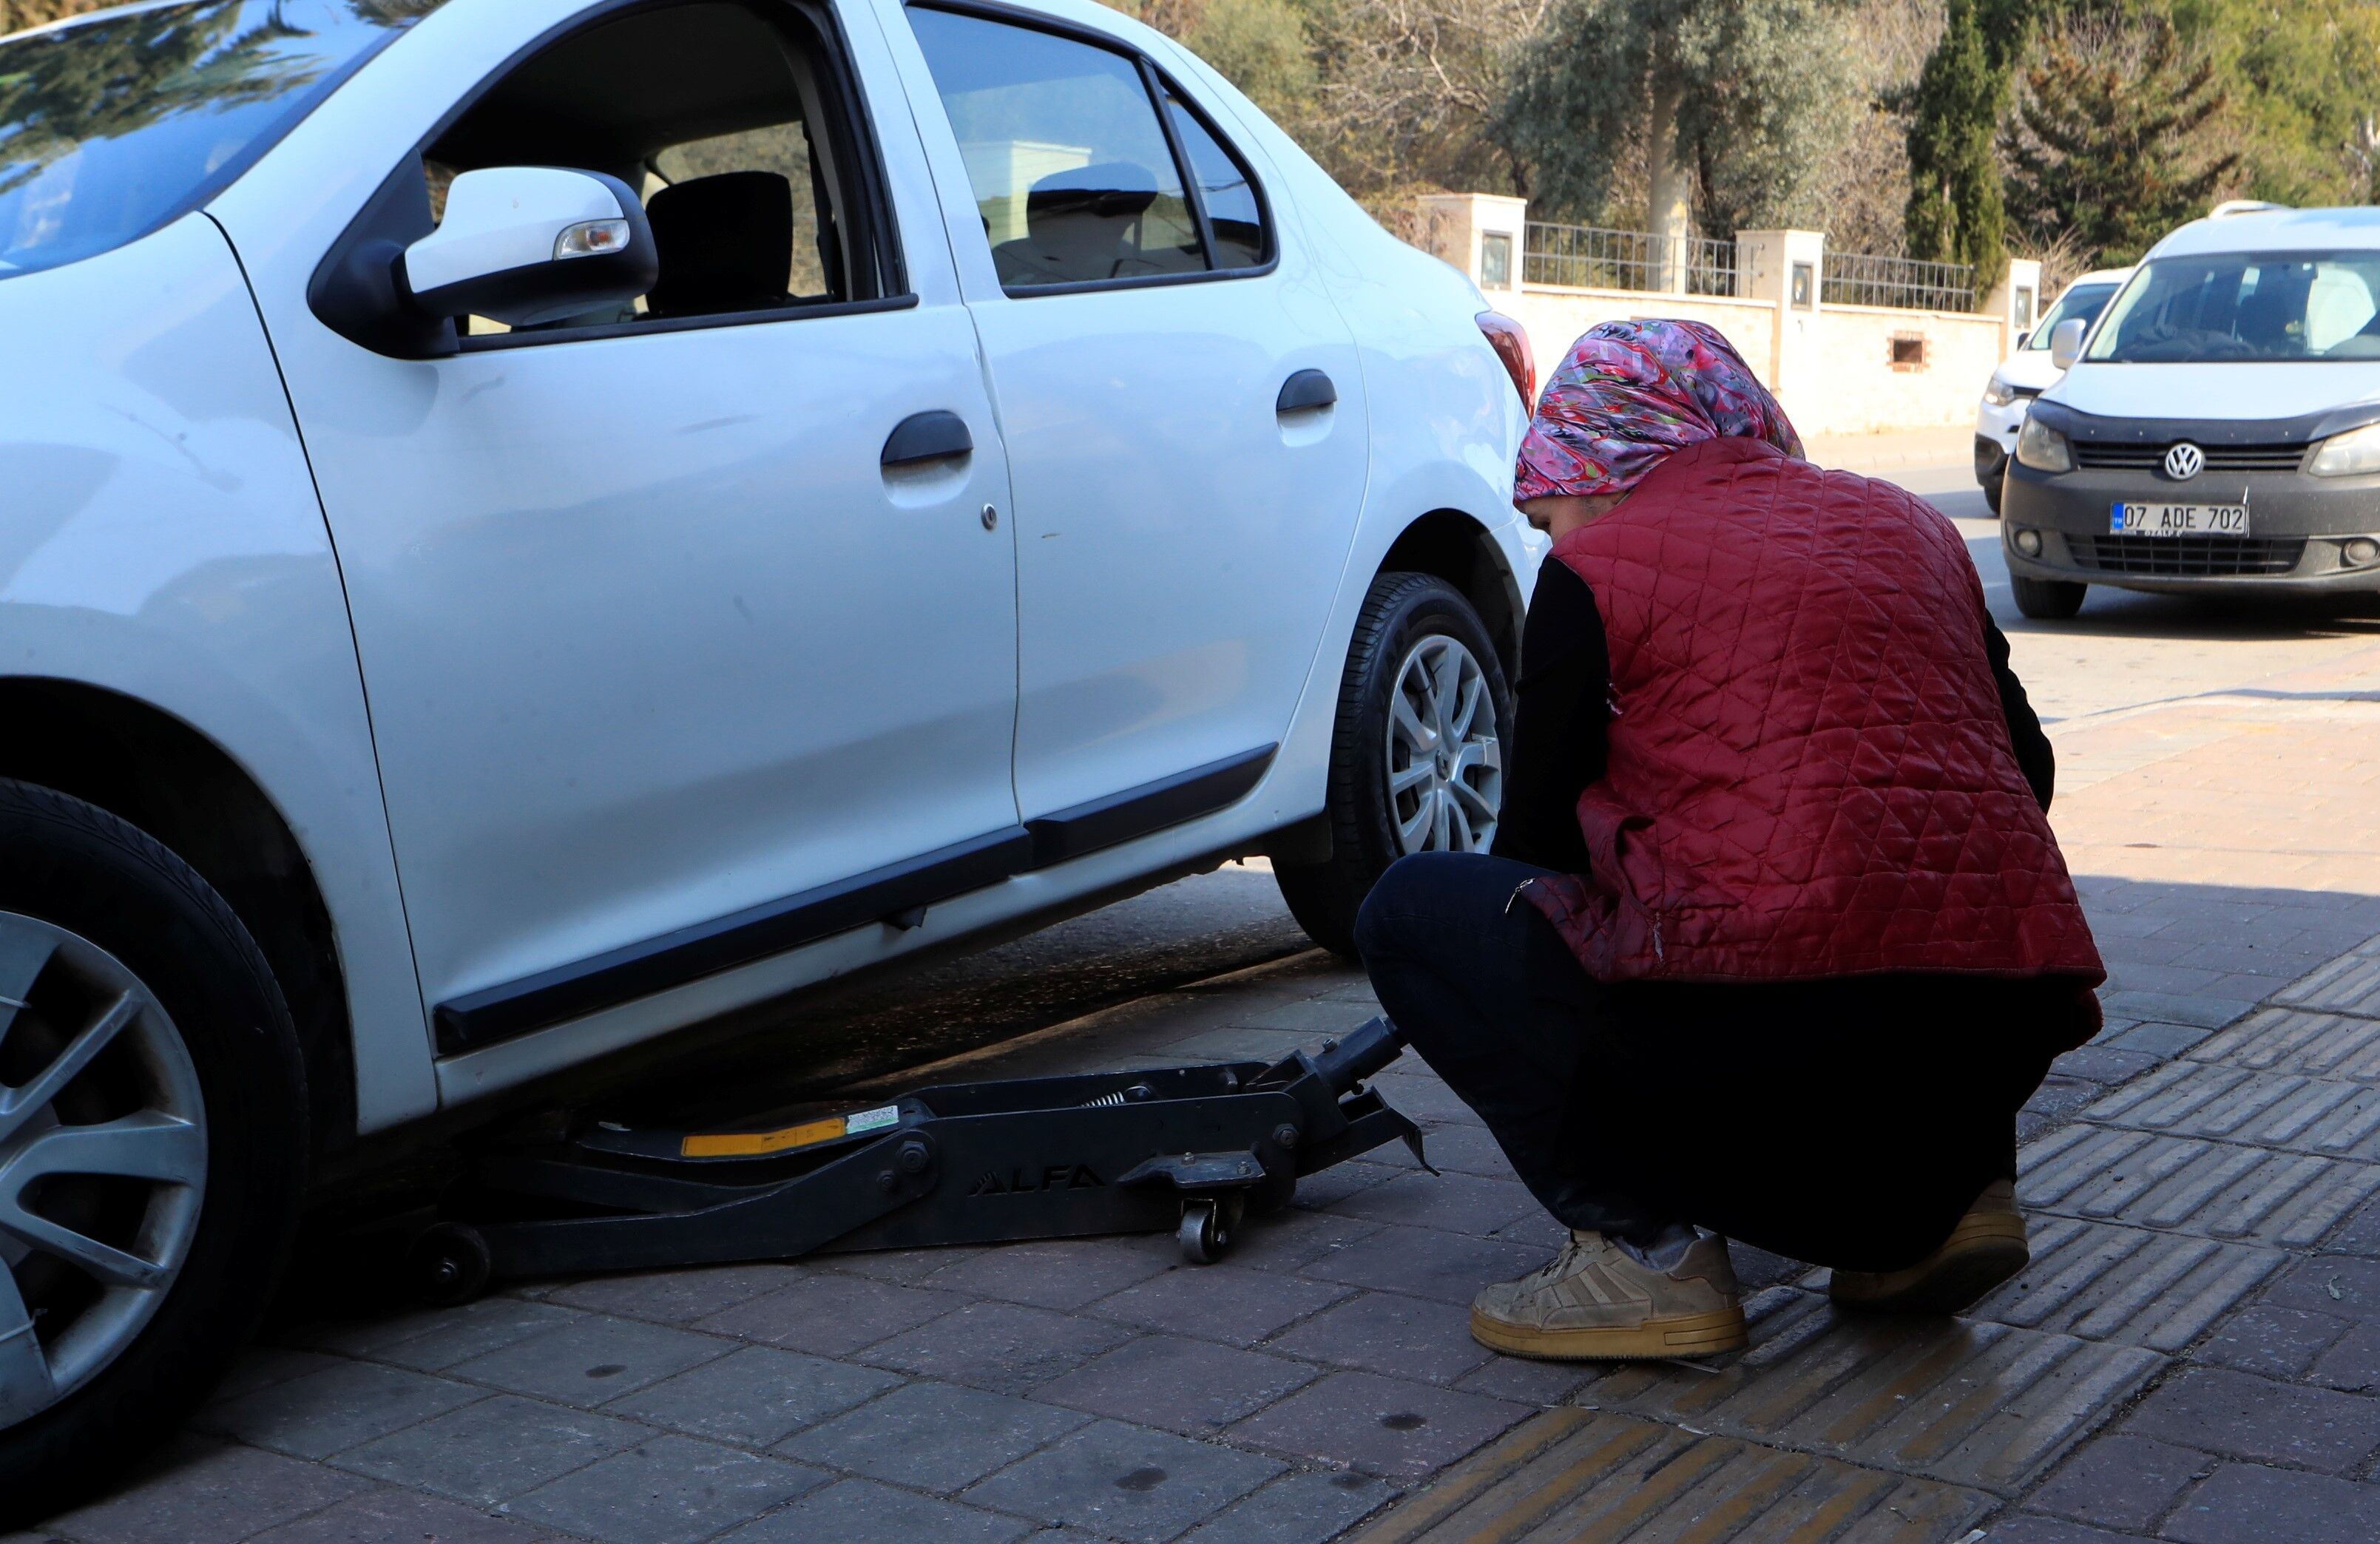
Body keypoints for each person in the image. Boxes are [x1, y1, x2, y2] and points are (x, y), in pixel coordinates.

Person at [1354, 319, 2104, 1361]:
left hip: (1748, 1053)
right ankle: (1950, 1207)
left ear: (1605, 465)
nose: (1549, 539)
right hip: (1990, 1051)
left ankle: (1647, 1259)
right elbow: (2027, 776)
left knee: (1410, 910)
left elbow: (1532, 854)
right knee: (1935, 890)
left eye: (1549, 508)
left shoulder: (1602, 568)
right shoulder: (1910, 527)